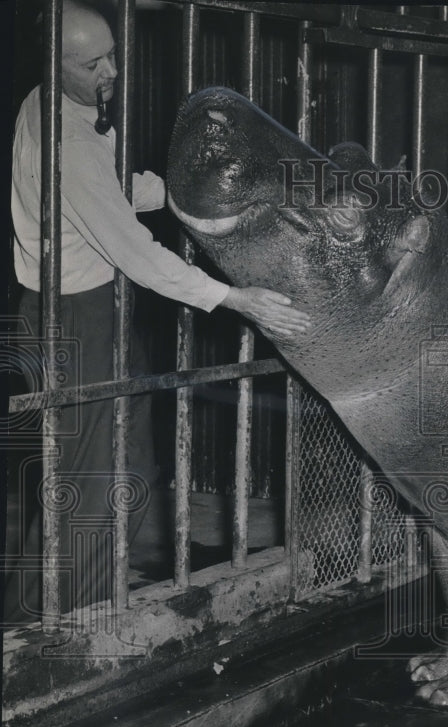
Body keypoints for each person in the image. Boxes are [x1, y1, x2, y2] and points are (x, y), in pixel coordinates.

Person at [4, 0, 311, 623]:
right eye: (93, 63)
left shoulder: (47, 102)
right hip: (80, 315)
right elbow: (135, 251)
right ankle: (61, 631)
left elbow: (107, 196)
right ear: (54, 63)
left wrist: (178, 190)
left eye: (113, 54)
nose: (111, 70)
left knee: (87, 475)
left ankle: (30, 617)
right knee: (107, 479)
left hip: (61, 307)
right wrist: (233, 298)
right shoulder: (68, 139)